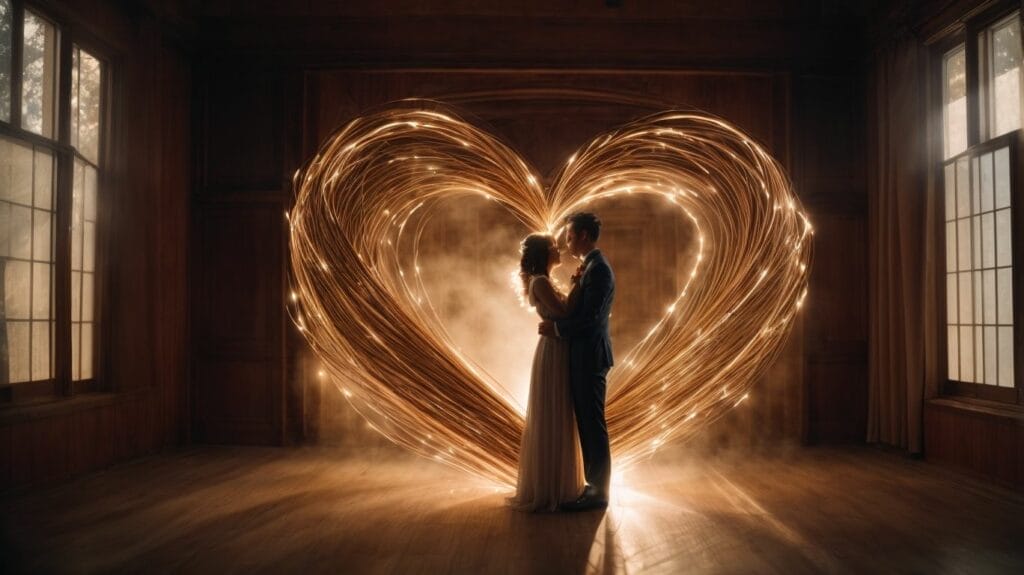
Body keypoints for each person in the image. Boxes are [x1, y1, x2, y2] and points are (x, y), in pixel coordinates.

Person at [539, 212, 615, 511]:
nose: (566, 241)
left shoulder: (599, 270)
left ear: (583, 235)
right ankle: (593, 488)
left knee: (592, 423)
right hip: (585, 354)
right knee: (587, 421)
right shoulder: (592, 267)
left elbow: (591, 321)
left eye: (569, 235)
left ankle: (598, 493)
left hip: (590, 355)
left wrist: (557, 329)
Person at [509, 233, 585, 512]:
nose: (559, 249)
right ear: (543, 254)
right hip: (553, 348)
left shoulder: (544, 281)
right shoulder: (540, 282)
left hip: (556, 346)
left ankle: (556, 484)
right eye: (553, 246)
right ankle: (551, 489)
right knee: (553, 412)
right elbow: (564, 313)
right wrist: (578, 285)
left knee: (558, 412)